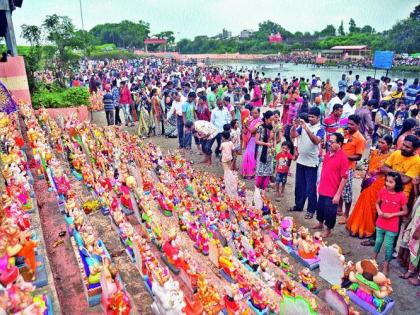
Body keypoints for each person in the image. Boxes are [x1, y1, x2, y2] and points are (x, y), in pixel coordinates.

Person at [346, 135, 393, 238]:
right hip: (368, 181)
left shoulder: (390, 157)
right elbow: (369, 167)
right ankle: (356, 227)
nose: (380, 144)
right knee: (362, 202)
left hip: (379, 183)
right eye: (379, 142)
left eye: (383, 143)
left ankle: (366, 229)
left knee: (371, 207)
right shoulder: (374, 152)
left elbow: (387, 172)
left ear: (389, 145)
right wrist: (365, 178)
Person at [289, 107, 325, 219]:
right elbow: (294, 135)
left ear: (318, 118)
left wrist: (306, 129)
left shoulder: (321, 128)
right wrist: (294, 127)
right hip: (301, 160)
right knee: (299, 185)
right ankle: (299, 205)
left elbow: (316, 141)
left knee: (311, 188)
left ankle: (311, 209)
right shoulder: (304, 126)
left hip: (311, 162)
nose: (310, 119)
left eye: (312, 117)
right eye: (309, 116)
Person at [313, 133, 349, 238]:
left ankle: (328, 229)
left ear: (339, 143)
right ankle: (320, 223)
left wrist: (338, 194)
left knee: (330, 211)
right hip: (323, 188)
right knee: (320, 207)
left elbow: (344, 178)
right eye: (329, 141)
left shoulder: (343, 158)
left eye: (332, 142)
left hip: (332, 191)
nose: (330, 144)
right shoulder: (328, 154)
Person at [373, 172, 408, 276]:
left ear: (397, 183)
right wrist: (379, 211)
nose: (387, 184)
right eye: (387, 181)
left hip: (392, 226)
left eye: (391, 182)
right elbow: (377, 202)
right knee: (378, 241)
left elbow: (405, 211)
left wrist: (392, 215)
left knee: (389, 246)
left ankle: (386, 264)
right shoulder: (383, 191)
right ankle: (373, 260)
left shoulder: (401, 195)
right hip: (380, 222)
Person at [338, 114, 366, 224]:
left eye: (352, 124)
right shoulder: (345, 133)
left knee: (347, 191)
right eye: (348, 123)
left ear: (358, 125)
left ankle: (346, 214)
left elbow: (358, 156)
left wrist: (344, 156)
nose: (349, 126)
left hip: (349, 168)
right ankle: (339, 209)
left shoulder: (360, 139)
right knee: (338, 187)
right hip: (339, 165)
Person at [255, 111, 275, 191]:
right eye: (270, 120)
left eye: (272, 120)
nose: (271, 122)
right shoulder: (260, 127)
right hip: (262, 150)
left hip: (269, 151)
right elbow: (256, 141)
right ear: (266, 119)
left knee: (268, 170)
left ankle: (264, 188)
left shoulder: (271, 128)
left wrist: (273, 147)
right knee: (261, 170)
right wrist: (265, 144)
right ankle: (257, 188)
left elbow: (273, 139)